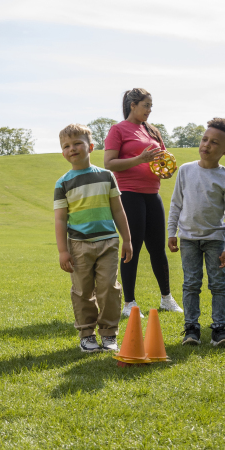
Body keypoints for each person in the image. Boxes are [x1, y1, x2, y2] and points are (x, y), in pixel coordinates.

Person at [53, 124, 134, 353]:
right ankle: (86, 334)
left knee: (109, 287)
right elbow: (60, 220)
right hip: (78, 245)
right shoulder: (63, 183)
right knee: (82, 291)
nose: (72, 149)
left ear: (90, 146)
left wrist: (126, 239)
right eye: (66, 146)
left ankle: (109, 334)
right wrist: (63, 250)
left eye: (77, 143)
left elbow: (118, 210)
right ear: (62, 153)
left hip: (108, 242)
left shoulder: (106, 176)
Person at [103, 88, 181, 320]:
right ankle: (129, 303)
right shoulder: (118, 130)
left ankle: (166, 298)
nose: (149, 110)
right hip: (128, 194)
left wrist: (165, 171)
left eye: (151, 106)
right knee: (132, 248)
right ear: (133, 105)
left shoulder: (152, 131)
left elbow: (163, 158)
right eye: (146, 105)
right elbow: (109, 163)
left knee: (158, 248)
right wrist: (140, 159)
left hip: (152, 194)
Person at [166, 118, 225, 347]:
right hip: (188, 239)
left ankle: (219, 329)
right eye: (204, 139)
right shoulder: (186, 171)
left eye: (214, 143)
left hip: (215, 241)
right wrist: (171, 232)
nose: (206, 145)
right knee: (191, 283)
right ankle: (191, 329)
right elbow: (176, 203)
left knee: (218, 284)